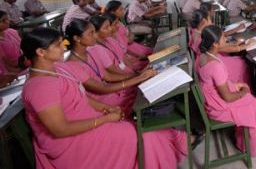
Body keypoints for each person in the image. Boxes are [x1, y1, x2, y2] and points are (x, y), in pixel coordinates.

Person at [20, 27, 187, 168]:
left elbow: (80, 95)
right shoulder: (39, 87)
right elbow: (60, 129)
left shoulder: (57, 68)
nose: (64, 48)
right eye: (57, 45)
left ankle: (177, 145)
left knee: (145, 129)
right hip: (72, 139)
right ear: (41, 52)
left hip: (88, 120)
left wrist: (104, 108)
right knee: (145, 134)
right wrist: (104, 120)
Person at [197, 25, 256, 156]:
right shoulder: (215, 66)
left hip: (213, 97)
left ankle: (243, 140)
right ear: (215, 44)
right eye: (223, 38)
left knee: (252, 99)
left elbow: (215, 83)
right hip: (219, 106)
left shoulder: (202, 56)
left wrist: (235, 85)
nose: (225, 39)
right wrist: (244, 91)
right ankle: (253, 147)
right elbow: (228, 98)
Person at [63, 19, 157, 115]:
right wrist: (139, 78)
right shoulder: (72, 64)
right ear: (77, 38)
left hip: (112, 92)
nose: (95, 36)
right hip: (102, 102)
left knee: (149, 90)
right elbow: (103, 88)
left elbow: (108, 76)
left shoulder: (90, 52)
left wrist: (137, 75)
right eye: (91, 33)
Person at [189, 10, 253, 84]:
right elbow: (221, 47)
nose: (211, 20)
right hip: (214, 60)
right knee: (241, 63)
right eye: (209, 18)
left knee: (238, 59)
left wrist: (235, 43)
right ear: (204, 20)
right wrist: (246, 45)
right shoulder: (205, 35)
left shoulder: (196, 32)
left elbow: (219, 46)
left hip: (207, 58)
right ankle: (244, 85)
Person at [0, 11, 22, 84]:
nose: (7, 22)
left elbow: (23, 47)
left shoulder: (12, 31)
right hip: (14, 70)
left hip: (23, 62)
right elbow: (8, 64)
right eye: (3, 21)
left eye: (7, 19)